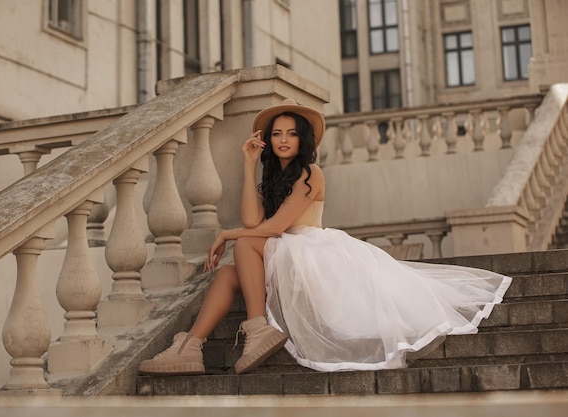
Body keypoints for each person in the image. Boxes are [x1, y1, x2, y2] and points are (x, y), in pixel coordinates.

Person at [138, 99, 512, 375]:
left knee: (246, 243)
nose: (284, 140)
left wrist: (227, 234)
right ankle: (190, 348)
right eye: (277, 134)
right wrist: (249, 164)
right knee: (226, 273)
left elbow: (273, 229)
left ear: (303, 139)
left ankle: (257, 329)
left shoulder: (311, 172)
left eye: (291, 134)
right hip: (284, 254)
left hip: (312, 255)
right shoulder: (271, 177)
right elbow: (254, 221)